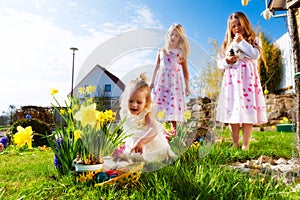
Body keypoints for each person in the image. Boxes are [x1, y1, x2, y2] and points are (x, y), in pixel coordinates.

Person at [216, 12, 267, 150]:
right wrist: (227, 61)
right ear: (230, 28)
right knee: (233, 111)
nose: (237, 28)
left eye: (239, 24)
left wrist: (241, 42)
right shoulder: (227, 43)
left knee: (247, 111)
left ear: (245, 24)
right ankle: (235, 143)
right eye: (234, 26)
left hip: (247, 81)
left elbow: (255, 55)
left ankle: (245, 144)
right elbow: (219, 63)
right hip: (232, 81)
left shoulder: (253, 40)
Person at [119, 73, 177, 163]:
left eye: (139, 102)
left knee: (146, 160)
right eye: (130, 101)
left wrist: (142, 141)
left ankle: (147, 158)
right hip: (136, 142)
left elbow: (153, 129)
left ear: (146, 103)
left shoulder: (146, 114)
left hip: (149, 144)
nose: (134, 105)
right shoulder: (126, 114)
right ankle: (133, 156)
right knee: (130, 159)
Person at [150, 23, 190, 135]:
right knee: (158, 105)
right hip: (161, 82)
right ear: (168, 35)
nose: (173, 37)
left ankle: (174, 134)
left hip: (174, 83)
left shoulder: (181, 53)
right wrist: (152, 82)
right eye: (172, 34)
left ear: (180, 38)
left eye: (176, 35)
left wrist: (187, 86)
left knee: (173, 105)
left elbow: (185, 72)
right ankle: (157, 132)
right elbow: (156, 67)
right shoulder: (161, 50)